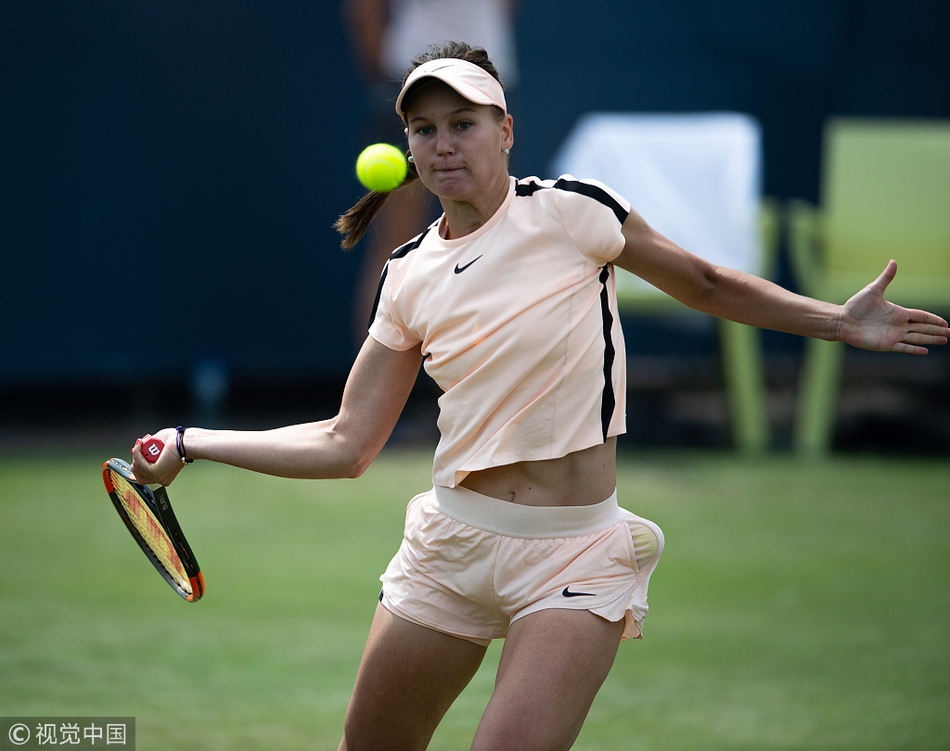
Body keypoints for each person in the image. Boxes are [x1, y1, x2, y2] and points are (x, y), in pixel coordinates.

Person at [131, 42, 950, 751]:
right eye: (424, 129)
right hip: (450, 547)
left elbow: (704, 282)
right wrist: (194, 442)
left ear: (506, 131)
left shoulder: (571, 212)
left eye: (463, 123)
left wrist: (836, 321)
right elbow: (347, 443)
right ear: (406, 147)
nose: (443, 144)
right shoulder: (407, 275)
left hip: (573, 555)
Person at [341, 0, 520, 344]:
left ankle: (489, 363)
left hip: (487, 81)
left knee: (491, 238)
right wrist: (388, 78)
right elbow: (364, 8)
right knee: (395, 243)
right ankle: (376, 370)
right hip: (411, 77)